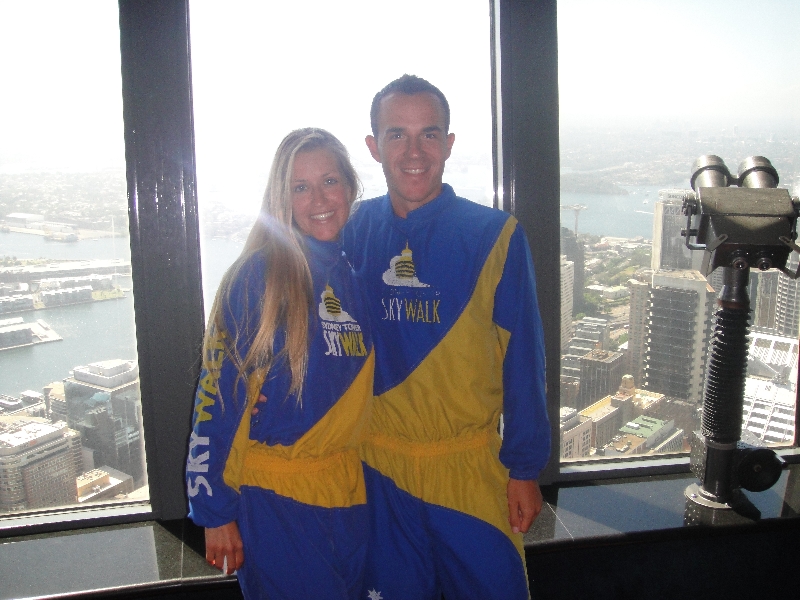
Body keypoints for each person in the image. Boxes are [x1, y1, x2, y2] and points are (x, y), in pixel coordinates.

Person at [342, 74, 550, 600]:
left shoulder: (494, 235)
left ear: (449, 144)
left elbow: (524, 362)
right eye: (397, 135)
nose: (414, 152)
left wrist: (524, 469)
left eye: (429, 134)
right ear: (374, 147)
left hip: (468, 472)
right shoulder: (351, 230)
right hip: (377, 470)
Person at [186, 128, 374, 599]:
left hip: (348, 493)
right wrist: (215, 513)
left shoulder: (353, 276)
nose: (319, 199)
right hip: (277, 502)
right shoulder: (258, 276)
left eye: (330, 181)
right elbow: (217, 396)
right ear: (282, 198)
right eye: (300, 187)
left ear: (351, 187)